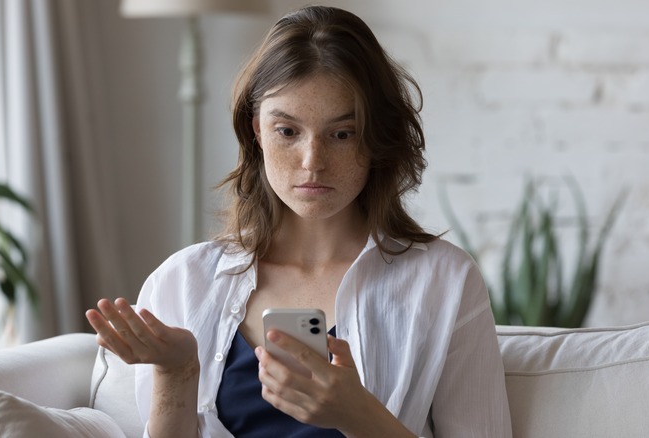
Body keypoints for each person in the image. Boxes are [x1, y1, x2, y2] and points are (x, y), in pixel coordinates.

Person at [86, 5, 512, 438]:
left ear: (376, 140)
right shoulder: (182, 282)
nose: (313, 162)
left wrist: (359, 415)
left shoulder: (444, 282)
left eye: (342, 134)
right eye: (287, 132)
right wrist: (177, 374)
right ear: (257, 131)